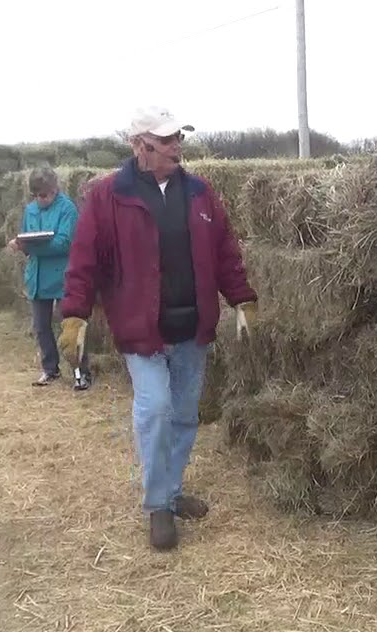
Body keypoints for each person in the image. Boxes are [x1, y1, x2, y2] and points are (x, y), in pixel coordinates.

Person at [58, 107, 258, 551]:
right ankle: (157, 508)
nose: (175, 147)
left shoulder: (200, 193)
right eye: (165, 140)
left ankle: (170, 491)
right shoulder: (108, 196)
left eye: (177, 139)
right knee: (155, 411)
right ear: (139, 146)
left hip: (192, 326)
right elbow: (84, 259)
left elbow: (225, 252)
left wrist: (241, 298)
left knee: (185, 415)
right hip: (141, 329)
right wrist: (75, 312)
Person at [8, 166, 89, 390]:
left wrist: (32, 248)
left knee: (70, 326)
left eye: (44, 195)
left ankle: (81, 372)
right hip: (37, 276)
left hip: (63, 275)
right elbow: (26, 239)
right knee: (41, 326)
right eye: (36, 196)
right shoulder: (30, 211)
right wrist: (20, 245)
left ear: (55, 190)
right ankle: (50, 369)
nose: (40, 200)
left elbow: (64, 242)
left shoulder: (68, 209)